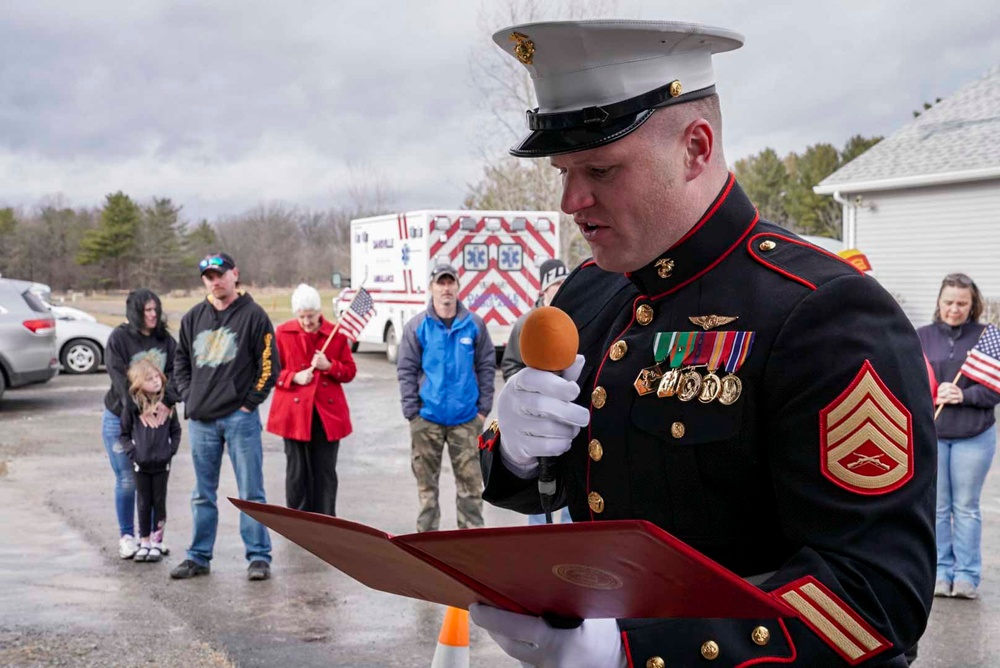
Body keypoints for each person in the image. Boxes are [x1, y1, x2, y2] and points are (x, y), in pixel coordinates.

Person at [472, 20, 935, 667]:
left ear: (695, 147)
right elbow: (557, 486)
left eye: (600, 168)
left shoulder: (825, 313)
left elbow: (874, 598)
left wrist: (635, 651)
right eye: (564, 171)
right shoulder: (587, 293)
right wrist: (518, 455)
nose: (572, 200)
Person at [170, 252, 279, 582]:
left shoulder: (254, 316)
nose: (215, 281)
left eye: (220, 274)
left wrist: (249, 403)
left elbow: (270, 365)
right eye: (208, 276)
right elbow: (180, 364)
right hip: (202, 420)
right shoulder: (193, 318)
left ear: (235, 274)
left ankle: (258, 556)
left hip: (239, 419)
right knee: (203, 493)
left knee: (251, 492)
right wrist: (190, 395)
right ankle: (198, 556)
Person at [918, 273, 1000, 600]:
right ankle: (940, 572)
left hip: (973, 435)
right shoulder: (921, 337)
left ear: (972, 304)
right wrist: (933, 395)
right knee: (936, 508)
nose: (955, 309)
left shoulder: (986, 338)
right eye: (949, 302)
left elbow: (995, 389)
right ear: (939, 302)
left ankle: (966, 575)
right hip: (934, 434)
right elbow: (908, 380)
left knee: (965, 507)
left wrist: (964, 396)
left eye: (962, 303)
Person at [397, 263, 496, 532]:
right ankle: (427, 545)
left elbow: (487, 366)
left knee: (471, 489)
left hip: (466, 421)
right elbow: (406, 369)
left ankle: (471, 544)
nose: (446, 288)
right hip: (426, 419)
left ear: (458, 287)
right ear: (432, 288)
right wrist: (412, 413)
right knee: (427, 489)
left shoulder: (474, 325)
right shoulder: (418, 327)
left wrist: (483, 410)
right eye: (441, 283)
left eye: (450, 283)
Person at [266, 284, 356, 516]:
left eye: (311, 316)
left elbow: (349, 371)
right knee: (297, 471)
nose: (307, 322)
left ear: (319, 312)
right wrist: (293, 376)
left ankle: (326, 519)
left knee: (325, 471)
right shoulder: (283, 333)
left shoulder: (335, 334)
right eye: (302, 317)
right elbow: (271, 371)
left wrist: (330, 366)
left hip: (326, 414)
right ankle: (298, 519)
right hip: (294, 415)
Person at [101, 288, 177, 560]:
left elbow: (176, 373)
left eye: (155, 309)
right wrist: (138, 408)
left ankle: (154, 539)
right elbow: (119, 379)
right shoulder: (119, 338)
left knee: (154, 482)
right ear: (135, 312)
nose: (153, 314)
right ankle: (128, 537)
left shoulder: (165, 340)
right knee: (127, 480)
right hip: (121, 417)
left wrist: (165, 403)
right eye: (147, 310)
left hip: (157, 421)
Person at [501, 258, 572, 525]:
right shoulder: (526, 324)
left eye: (564, 284)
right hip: (535, 422)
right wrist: (523, 391)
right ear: (544, 290)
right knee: (538, 480)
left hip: (566, 419)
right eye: (556, 285)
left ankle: (568, 531)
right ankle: (540, 535)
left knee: (570, 480)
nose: (561, 290)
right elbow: (509, 364)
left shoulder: (576, 320)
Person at [119, 358, 181, 563]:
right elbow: (124, 434)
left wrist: (169, 452)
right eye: (149, 379)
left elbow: (176, 431)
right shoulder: (133, 408)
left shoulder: (168, 405)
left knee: (159, 502)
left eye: (157, 377)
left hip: (162, 464)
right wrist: (134, 454)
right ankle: (144, 541)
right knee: (143, 503)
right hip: (141, 464)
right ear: (138, 383)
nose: (155, 381)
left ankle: (157, 540)